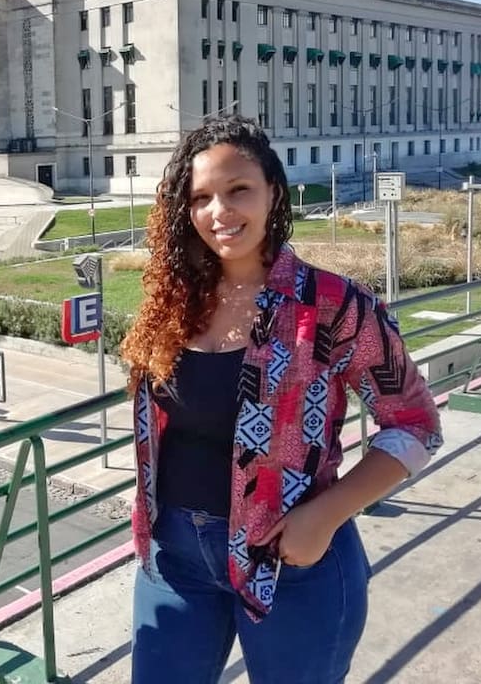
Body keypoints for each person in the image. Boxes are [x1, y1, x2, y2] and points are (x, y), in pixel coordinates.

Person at [120, 115, 442, 684]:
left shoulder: (333, 305)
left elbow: (414, 424)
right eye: (201, 197)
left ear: (273, 191)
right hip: (176, 559)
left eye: (238, 189)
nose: (220, 212)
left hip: (294, 561)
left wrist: (325, 516)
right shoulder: (171, 305)